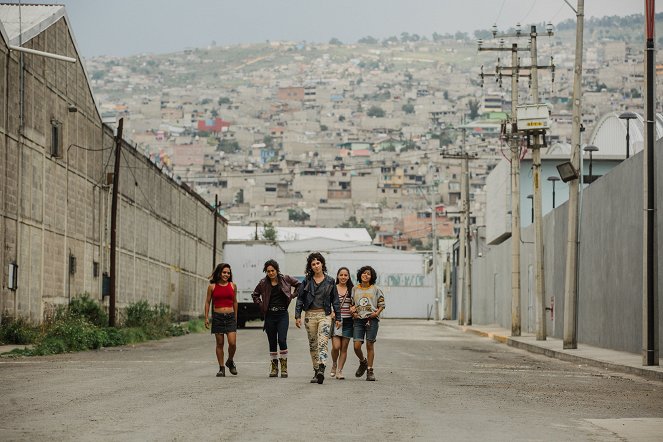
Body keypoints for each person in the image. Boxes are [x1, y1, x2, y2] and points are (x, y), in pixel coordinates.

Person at [295, 252, 341, 384]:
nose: (316, 266)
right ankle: (316, 371)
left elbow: (335, 301)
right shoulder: (307, 281)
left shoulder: (330, 281)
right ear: (311, 266)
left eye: (318, 263)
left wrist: (338, 317)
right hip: (310, 316)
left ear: (322, 264)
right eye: (313, 264)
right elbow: (300, 299)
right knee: (313, 345)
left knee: (323, 342)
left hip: (324, 316)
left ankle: (322, 368)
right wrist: (298, 315)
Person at [252, 259, 301, 378]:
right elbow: (255, 294)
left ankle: (284, 367)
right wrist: (261, 304)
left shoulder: (286, 279)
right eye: (268, 271)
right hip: (270, 315)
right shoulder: (263, 283)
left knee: (282, 340)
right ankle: (274, 368)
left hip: (282, 315)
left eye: (272, 270)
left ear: (276, 270)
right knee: (272, 341)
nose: (270, 273)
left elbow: (300, 285)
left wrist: (293, 295)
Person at [350, 265, 385, 381]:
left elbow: (381, 304)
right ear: (360, 274)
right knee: (356, 346)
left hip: (372, 319)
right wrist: (353, 311)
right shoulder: (355, 289)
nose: (366, 275)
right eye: (364, 273)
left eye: (368, 274)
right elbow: (352, 303)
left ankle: (370, 370)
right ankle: (363, 362)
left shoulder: (376, 289)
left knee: (370, 345)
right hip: (358, 320)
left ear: (372, 277)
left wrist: (377, 313)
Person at [204, 263, 238, 377]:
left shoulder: (233, 286)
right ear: (219, 273)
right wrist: (206, 317)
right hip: (217, 318)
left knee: (232, 343)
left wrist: (235, 317)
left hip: (230, 317)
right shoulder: (212, 287)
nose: (226, 275)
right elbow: (208, 302)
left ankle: (230, 360)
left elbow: (234, 302)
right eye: (224, 272)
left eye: (228, 273)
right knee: (220, 343)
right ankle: (221, 368)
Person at [330, 267, 354, 380]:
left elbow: (356, 304)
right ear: (338, 276)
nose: (343, 277)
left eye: (345, 275)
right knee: (336, 347)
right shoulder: (332, 288)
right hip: (336, 320)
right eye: (341, 275)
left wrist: (354, 308)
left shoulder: (352, 290)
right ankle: (334, 363)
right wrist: (332, 312)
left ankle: (339, 371)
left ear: (348, 277)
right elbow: (327, 302)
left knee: (344, 348)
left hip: (348, 321)